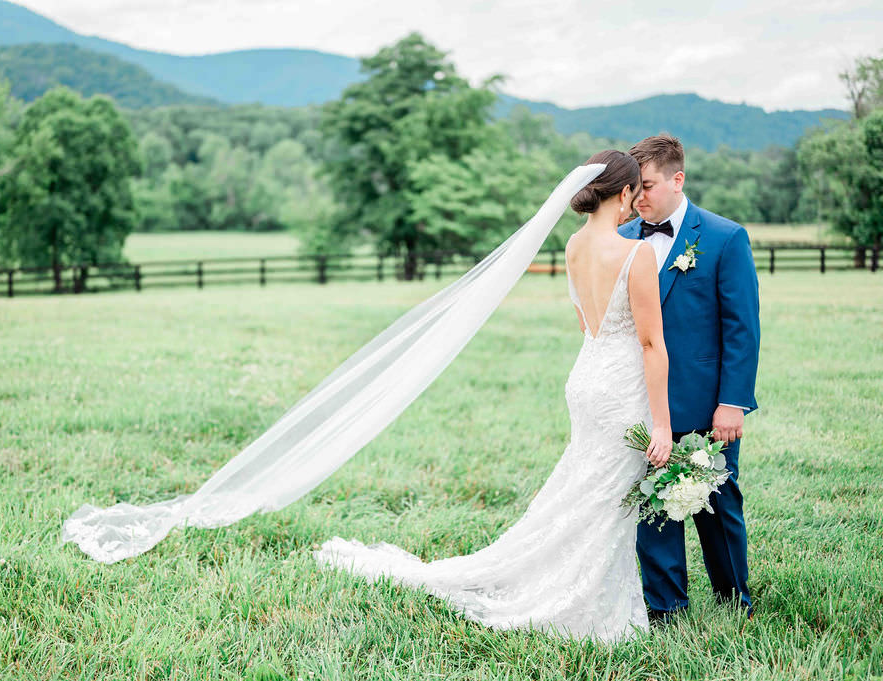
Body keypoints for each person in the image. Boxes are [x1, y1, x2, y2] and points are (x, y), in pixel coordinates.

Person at [313, 150, 674, 642]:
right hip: (620, 386)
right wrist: (662, 424)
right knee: (604, 499)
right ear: (625, 192)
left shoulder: (572, 246)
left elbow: (588, 325)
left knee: (585, 489)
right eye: (636, 191)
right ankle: (579, 602)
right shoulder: (637, 254)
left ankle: (579, 585)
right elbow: (651, 343)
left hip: (586, 377)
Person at [619, 135, 760, 621]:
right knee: (652, 507)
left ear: (678, 180)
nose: (640, 197)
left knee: (717, 507)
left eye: (650, 186)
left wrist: (733, 402)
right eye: (634, 188)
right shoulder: (620, 241)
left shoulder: (724, 237)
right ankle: (666, 609)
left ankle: (733, 599)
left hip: (705, 403)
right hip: (639, 403)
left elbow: (741, 328)